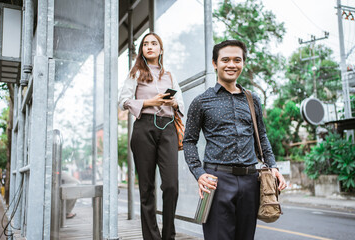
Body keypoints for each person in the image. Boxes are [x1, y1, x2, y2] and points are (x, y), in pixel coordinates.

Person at [183, 40, 287, 240]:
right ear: (215, 63)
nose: (231, 64)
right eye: (225, 60)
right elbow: (189, 141)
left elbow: (261, 136)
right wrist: (199, 173)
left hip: (250, 181)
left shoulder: (252, 99)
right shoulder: (201, 102)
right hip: (217, 181)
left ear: (243, 63)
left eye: (237, 60)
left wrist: (272, 165)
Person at [119, 32, 184, 240]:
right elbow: (123, 101)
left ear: (161, 49)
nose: (149, 47)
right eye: (145, 44)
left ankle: (168, 236)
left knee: (171, 185)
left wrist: (172, 103)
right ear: (142, 50)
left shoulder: (170, 76)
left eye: (154, 43)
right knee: (146, 188)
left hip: (167, 128)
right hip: (143, 128)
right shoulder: (135, 73)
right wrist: (150, 102)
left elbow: (181, 104)